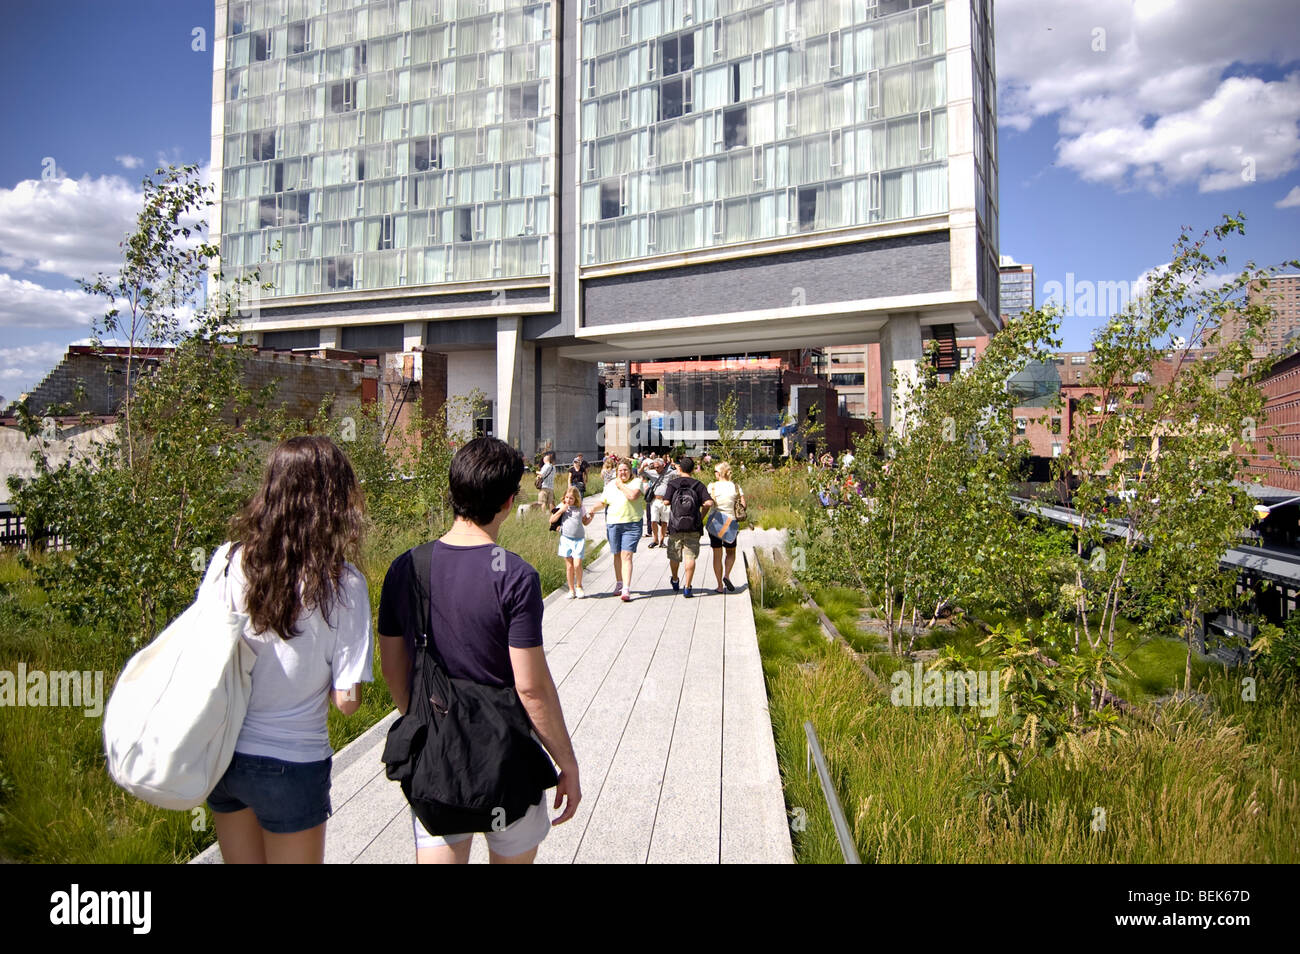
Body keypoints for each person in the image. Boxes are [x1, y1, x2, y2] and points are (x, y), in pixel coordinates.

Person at [378, 437, 580, 863]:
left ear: (452, 493)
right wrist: (567, 763)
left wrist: (429, 725)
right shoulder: (515, 576)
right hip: (506, 760)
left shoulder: (406, 568)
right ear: (508, 502)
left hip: (437, 766)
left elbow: (394, 672)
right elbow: (530, 688)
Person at [207, 435, 372, 864]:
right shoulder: (344, 583)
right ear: (335, 500)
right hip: (293, 763)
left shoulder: (228, 560)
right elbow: (347, 703)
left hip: (225, 756)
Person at [587, 459, 645, 601]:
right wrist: (592, 509)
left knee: (627, 555)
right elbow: (604, 501)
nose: (622, 473)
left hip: (631, 524)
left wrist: (620, 485)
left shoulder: (636, 482)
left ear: (630, 471)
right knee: (617, 555)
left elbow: (632, 496)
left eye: (625, 470)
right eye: (620, 470)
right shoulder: (610, 484)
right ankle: (619, 582)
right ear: (616, 471)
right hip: (613, 523)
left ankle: (626, 588)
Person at [663, 456, 714, 599]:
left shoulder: (673, 484)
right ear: (692, 469)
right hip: (693, 526)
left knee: (674, 555)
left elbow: (666, 501)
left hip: (675, 526)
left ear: (679, 468)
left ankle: (674, 579)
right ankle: (687, 587)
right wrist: (701, 514)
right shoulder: (698, 485)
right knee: (690, 557)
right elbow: (708, 503)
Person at [707, 462, 746, 593]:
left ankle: (719, 585)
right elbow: (743, 505)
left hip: (715, 522)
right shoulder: (735, 486)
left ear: (718, 473)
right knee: (731, 553)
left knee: (717, 555)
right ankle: (727, 575)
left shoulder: (712, 486)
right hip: (731, 523)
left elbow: (707, 504)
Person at [549, 485, 592, 598]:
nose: (568, 500)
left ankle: (579, 586)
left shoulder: (580, 507)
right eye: (567, 497)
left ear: (576, 499)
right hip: (566, 539)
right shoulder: (562, 506)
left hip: (578, 539)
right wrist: (561, 511)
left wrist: (591, 516)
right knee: (569, 566)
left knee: (577, 564)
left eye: (571, 498)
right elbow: (551, 520)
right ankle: (571, 589)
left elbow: (585, 522)